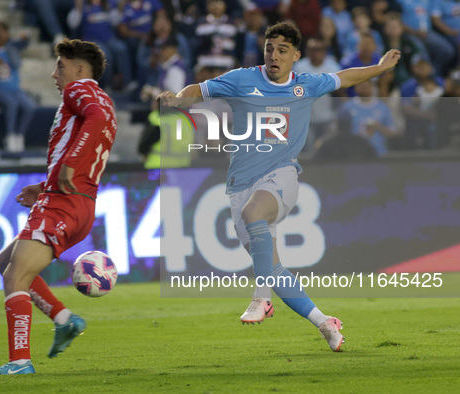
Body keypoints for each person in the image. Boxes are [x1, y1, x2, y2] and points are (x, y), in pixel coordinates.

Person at [157, 21, 400, 352]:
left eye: (282, 50)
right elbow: (198, 89)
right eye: (270, 49)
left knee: (254, 213)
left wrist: (380, 67)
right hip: (239, 184)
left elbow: (346, 78)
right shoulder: (242, 79)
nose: (274, 55)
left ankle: (261, 299)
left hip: (281, 175)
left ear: (295, 56)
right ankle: (326, 323)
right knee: (271, 268)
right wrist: (177, 99)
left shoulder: (306, 85)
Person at [0, 38, 117, 376]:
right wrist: (45, 186)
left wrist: (68, 163)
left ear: (80, 69)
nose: (55, 74)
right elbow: (94, 132)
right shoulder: (104, 99)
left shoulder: (79, 91)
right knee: (6, 261)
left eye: (60, 66)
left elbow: (93, 120)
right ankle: (65, 319)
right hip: (77, 203)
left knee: (15, 276)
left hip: (63, 204)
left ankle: (20, 362)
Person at [0, 21, 36, 153]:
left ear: (7, 33)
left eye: (2, 32)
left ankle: (19, 135)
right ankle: (10, 136)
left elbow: (17, 64)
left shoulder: (11, 48)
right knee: (12, 104)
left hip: (14, 88)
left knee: (30, 106)